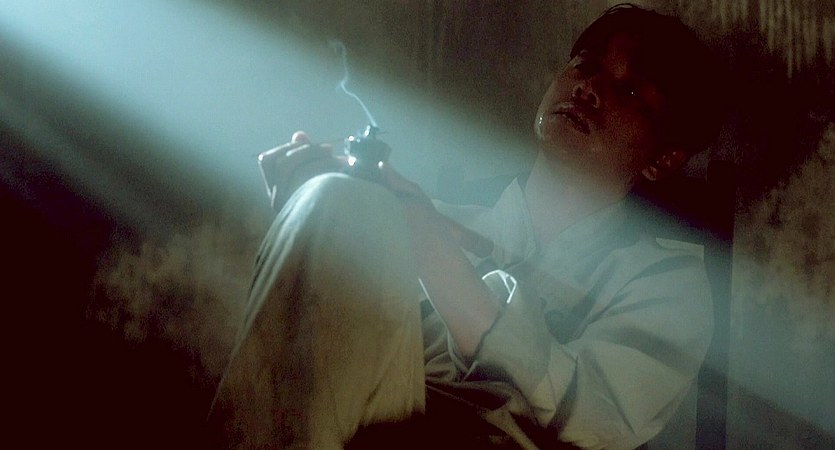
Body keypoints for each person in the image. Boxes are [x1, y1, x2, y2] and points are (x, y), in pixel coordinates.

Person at [210, 4, 725, 449]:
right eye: (585, 66)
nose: (589, 89)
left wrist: (429, 245)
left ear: (663, 159)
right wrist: (312, 213)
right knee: (334, 197)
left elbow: (596, 419)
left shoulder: (666, 285)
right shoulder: (432, 215)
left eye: (629, 92)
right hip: (361, 426)